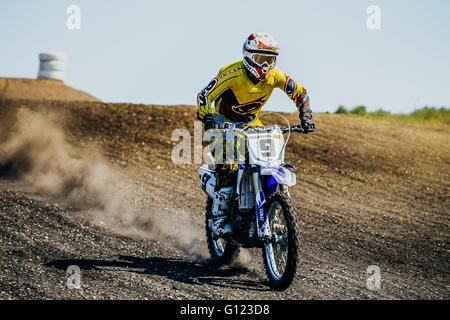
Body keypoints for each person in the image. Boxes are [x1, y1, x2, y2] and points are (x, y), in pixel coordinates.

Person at [196, 32, 315, 238]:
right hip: (224, 124)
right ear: (250, 57)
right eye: (262, 59)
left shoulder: (275, 76)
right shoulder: (232, 73)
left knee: (271, 160)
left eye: (271, 60)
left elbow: (300, 92)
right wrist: (208, 118)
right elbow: (204, 96)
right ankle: (220, 220)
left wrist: (306, 116)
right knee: (228, 166)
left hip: (251, 122)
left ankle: (272, 206)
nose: (267, 65)